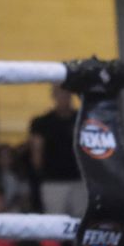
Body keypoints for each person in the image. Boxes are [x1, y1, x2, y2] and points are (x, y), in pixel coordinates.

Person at [29, 86, 86, 216]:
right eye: (60, 94)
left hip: (79, 180)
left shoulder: (82, 119)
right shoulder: (42, 123)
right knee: (55, 221)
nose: (63, 97)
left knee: (80, 220)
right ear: (54, 96)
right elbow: (36, 152)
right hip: (53, 181)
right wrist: (40, 172)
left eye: (66, 93)